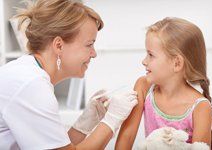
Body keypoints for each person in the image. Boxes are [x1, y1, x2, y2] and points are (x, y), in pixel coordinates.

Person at [0, 0, 138, 149]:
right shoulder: (31, 85)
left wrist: (84, 123)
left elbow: (58, 147)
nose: (94, 53)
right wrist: (112, 120)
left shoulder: (29, 74)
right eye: (89, 44)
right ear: (59, 45)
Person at [115, 17, 212, 150]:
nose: (144, 61)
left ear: (177, 63)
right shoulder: (144, 87)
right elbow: (127, 136)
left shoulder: (200, 107)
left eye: (151, 55)